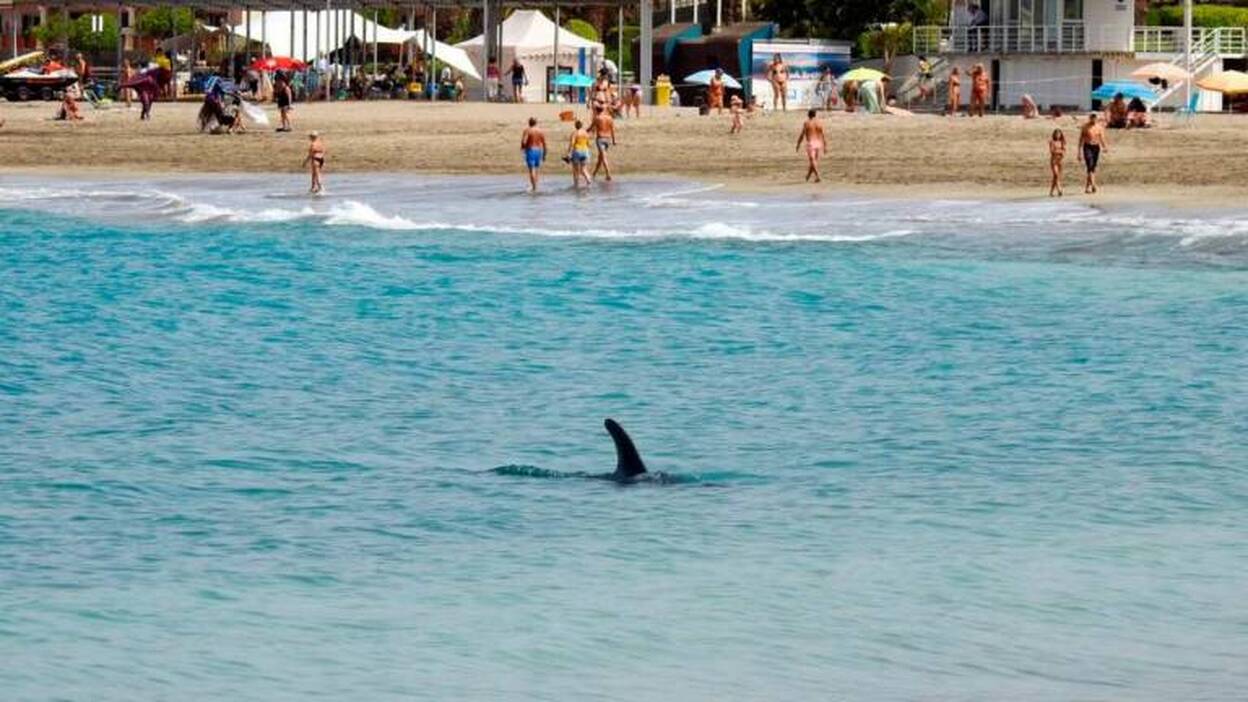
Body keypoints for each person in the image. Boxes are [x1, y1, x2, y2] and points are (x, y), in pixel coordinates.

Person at [1078, 113, 1108, 194]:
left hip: (1096, 147)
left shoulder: (1099, 127)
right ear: (1090, 118)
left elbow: (1102, 138)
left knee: (1092, 168)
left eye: (1095, 117)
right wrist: (1079, 152)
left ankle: (1087, 187)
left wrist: (1104, 147)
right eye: (1092, 117)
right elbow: (1081, 139)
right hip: (1087, 146)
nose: (1093, 119)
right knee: (1090, 165)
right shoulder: (1085, 127)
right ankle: (1093, 185)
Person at [795, 109, 825, 183]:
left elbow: (802, 134)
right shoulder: (819, 123)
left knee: (812, 161)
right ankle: (807, 176)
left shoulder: (807, 123)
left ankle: (818, 176)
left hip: (811, 143)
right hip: (818, 142)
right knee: (814, 161)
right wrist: (825, 145)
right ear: (815, 115)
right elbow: (823, 134)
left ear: (808, 115)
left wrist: (798, 144)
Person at [589, 104, 617, 182]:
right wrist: (614, 140)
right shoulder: (610, 118)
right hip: (608, 139)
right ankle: (594, 174)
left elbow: (591, 128)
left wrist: (583, 131)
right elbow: (612, 130)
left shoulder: (597, 118)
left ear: (597, 110)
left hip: (600, 139)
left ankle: (608, 174)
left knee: (603, 157)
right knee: (600, 158)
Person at [520, 117, 547, 192]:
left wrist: (523, 148)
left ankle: (534, 187)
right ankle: (536, 186)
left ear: (529, 123)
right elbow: (544, 143)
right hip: (538, 150)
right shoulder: (540, 131)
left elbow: (524, 141)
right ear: (536, 123)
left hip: (530, 150)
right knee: (537, 169)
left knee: (531, 170)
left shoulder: (527, 130)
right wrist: (544, 154)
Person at [566, 119, 592, 189]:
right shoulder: (586, 133)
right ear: (582, 125)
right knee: (583, 169)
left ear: (575, 126)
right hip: (585, 151)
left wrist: (569, 153)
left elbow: (572, 143)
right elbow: (588, 144)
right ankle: (589, 181)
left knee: (575, 170)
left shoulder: (575, 133)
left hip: (577, 151)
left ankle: (576, 185)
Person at [1048, 128, 1066, 197]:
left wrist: (1061, 152)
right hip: (1054, 160)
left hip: (1060, 160)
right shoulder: (1052, 141)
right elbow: (1052, 151)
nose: (1058, 135)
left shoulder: (1062, 142)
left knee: (1056, 177)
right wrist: (1060, 151)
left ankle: (1051, 191)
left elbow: (1064, 150)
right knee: (1056, 175)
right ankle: (1059, 189)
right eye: (1056, 134)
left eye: (1059, 134)